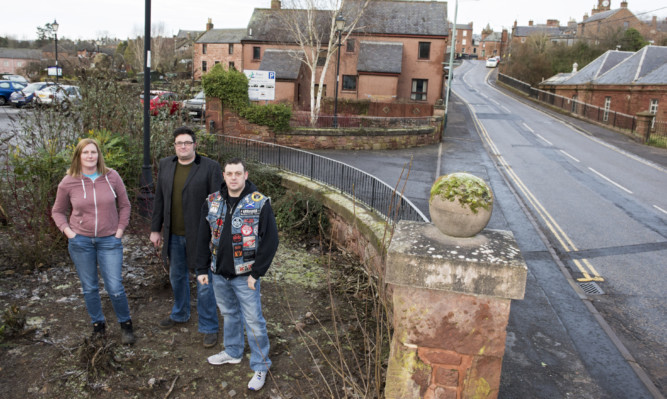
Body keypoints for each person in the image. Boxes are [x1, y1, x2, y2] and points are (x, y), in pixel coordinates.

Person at [195, 157, 279, 391]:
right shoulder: (212, 201)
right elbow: (203, 236)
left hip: (246, 277)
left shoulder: (259, 203)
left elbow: (271, 241)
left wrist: (257, 273)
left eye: (238, 173)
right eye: (229, 173)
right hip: (219, 274)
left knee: (254, 321)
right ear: (223, 175)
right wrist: (202, 268)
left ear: (246, 174)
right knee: (230, 314)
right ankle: (233, 351)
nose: (233, 177)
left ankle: (261, 365)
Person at [52, 138, 135, 344]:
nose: (90, 156)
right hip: (80, 242)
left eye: (94, 152)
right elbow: (58, 211)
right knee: (89, 287)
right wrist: (69, 232)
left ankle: (126, 325)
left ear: (99, 155)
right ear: (78, 156)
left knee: (115, 286)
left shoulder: (112, 176)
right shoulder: (68, 181)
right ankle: (98, 326)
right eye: (85, 153)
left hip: (109, 241)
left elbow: (125, 205)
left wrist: (119, 230)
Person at [150, 126, 222, 348]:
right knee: (177, 277)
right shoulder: (166, 165)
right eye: (179, 143)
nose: (183, 146)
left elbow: (217, 204)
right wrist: (156, 229)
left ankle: (209, 326)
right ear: (174, 146)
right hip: (173, 235)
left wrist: (216, 235)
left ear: (194, 145)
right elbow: (160, 199)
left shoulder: (210, 167)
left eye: (187, 143)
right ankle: (180, 314)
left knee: (204, 282)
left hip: (201, 237)